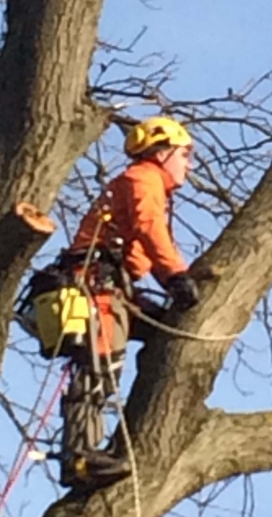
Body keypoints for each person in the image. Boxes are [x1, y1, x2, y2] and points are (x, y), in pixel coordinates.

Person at [56, 116, 200, 488]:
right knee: (99, 364)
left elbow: (142, 246)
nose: (189, 163)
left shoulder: (146, 183)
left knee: (161, 330)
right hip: (97, 286)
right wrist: (175, 277)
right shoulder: (143, 178)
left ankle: (121, 429)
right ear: (163, 151)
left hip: (117, 286)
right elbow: (147, 226)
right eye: (185, 154)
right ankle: (80, 458)